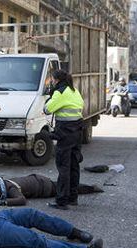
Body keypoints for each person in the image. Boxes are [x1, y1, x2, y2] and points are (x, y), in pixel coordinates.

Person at [44, 70, 84, 210]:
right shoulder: (74, 91)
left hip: (65, 133)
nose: (52, 82)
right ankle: (73, 198)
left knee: (63, 167)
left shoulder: (60, 92)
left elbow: (47, 109)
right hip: (77, 131)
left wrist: (50, 98)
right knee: (74, 166)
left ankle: (62, 200)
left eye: (52, 80)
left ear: (56, 80)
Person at [0, 174, 104, 206]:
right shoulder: (5, 182)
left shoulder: (11, 189)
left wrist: (4, 202)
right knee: (66, 186)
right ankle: (91, 187)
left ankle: (92, 188)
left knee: (68, 188)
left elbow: (22, 200)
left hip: (45, 187)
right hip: (39, 180)